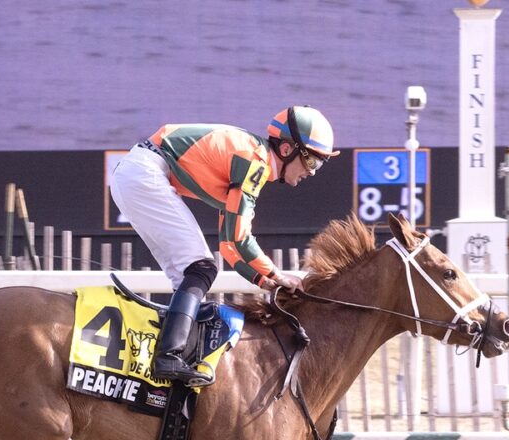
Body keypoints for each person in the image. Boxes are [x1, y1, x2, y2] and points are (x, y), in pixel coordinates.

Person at [110, 106, 339, 386]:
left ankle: (174, 351)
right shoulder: (254, 161)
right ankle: (168, 356)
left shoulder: (248, 162)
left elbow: (229, 246)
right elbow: (241, 238)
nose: (312, 173)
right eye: (313, 162)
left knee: (191, 273)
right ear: (287, 149)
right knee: (200, 267)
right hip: (144, 173)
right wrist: (277, 274)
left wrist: (263, 280)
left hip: (136, 173)